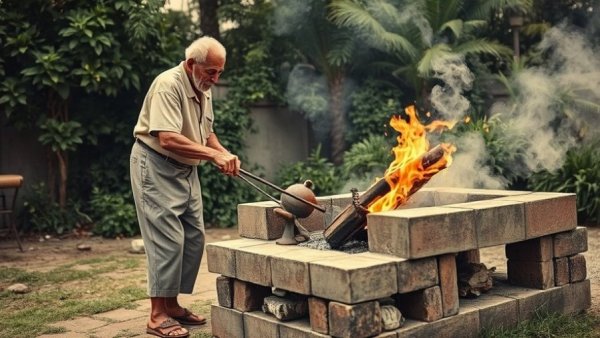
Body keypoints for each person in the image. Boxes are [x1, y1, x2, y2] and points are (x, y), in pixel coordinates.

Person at [130, 36, 240, 338]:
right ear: (192, 64)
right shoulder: (168, 84)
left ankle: (172, 305)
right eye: (211, 72)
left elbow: (207, 134)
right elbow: (167, 137)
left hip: (187, 168)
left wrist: (224, 154)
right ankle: (156, 315)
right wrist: (214, 155)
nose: (216, 79)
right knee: (166, 239)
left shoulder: (203, 88)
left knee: (193, 237)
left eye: (219, 72)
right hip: (155, 164)